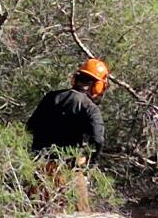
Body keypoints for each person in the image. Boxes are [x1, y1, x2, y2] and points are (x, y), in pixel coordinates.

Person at [26, 58, 110, 209]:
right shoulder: (90, 108)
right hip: (70, 171)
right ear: (98, 86)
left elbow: (30, 127)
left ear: (76, 79)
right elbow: (98, 140)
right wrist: (90, 165)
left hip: (41, 168)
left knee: (37, 216)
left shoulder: (51, 97)